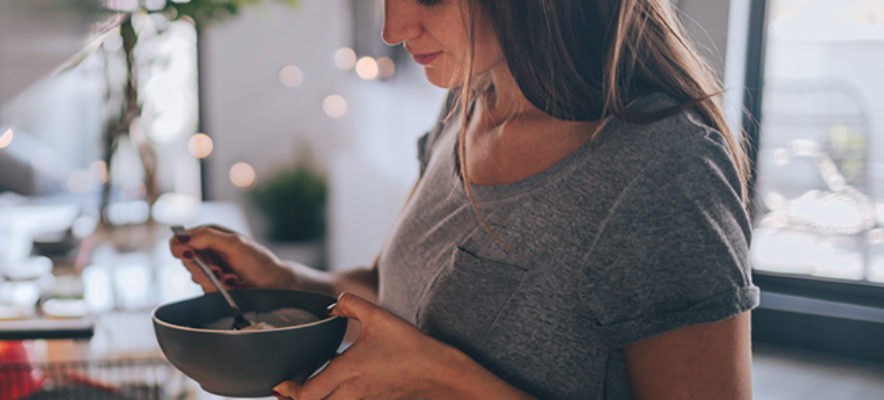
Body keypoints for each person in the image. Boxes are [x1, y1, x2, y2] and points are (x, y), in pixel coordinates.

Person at [170, 0, 757, 398]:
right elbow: (398, 292)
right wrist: (287, 280)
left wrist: (446, 382)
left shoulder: (664, 171)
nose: (393, 29)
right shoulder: (469, 101)